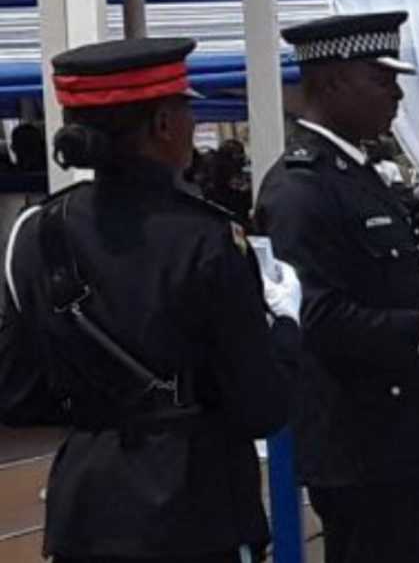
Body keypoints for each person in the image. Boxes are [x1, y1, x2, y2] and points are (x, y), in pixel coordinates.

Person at [0, 37, 295, 562]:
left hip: (87, 509)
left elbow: (18, 392)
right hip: (193, 507)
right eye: (186, 110)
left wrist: (102, 408)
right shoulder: (206, 239)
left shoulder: (37, 232)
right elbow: (260, 407)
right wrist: (287, 327)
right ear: (161, 126)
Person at [255, 12, 419, 563]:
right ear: (329, 84)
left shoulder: (357, 173)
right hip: (359, 439)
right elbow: (318, 318)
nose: (396, 95)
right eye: (380, 79)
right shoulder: (301, 189)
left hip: (398, 434)